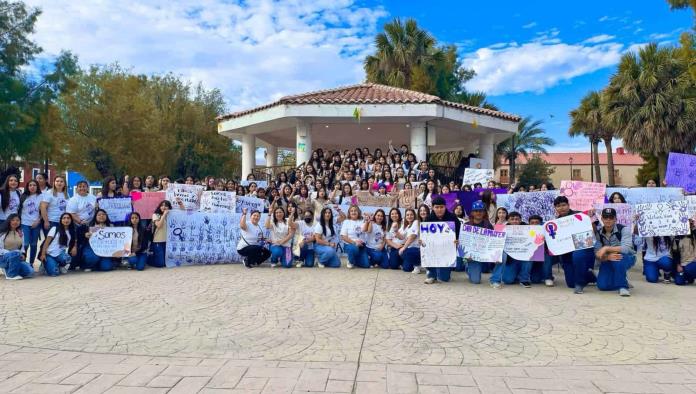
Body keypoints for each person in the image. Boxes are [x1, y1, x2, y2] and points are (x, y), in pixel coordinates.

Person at [552, 196, 596, 294]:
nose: (561, 208)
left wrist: (590, 221)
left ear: (568, 205)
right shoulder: (555, 222)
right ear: (555, 208)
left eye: (564, 205)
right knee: (570, 283)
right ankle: (589, 275)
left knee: (578, 255)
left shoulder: (580, 215)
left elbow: (593, 231)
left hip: (582, 248)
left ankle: (579, 284)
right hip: (566, 254)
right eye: (558, 206)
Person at [594, 208, 634, 296]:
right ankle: (621, 279)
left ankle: (623, 286)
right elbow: (597, 252)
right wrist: (607, 257)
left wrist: (606, 249)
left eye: (611, 217)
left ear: (615, 219)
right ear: (602, 218)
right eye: (605, 217)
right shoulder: (598, 232)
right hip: (607, 259)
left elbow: (626, 248)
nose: (608, 220)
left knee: (618, 258)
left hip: (626, 257)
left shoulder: (624, 229)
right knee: (602, 286)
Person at [423, 196, 461, 284]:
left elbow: (459, 233)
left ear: (445, 207)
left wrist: (457, 240)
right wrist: (422, 241)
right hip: (433, 249)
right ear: (433, 207)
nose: (439, 209)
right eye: (437, 207)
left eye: (441, 207)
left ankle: (442, 271)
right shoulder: (428, 219)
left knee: (444, 278)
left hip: (448, 250)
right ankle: (431, 273)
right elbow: (424, 236)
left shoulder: (452, 218)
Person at [490, 211, 531, 289]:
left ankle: (524, 279)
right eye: (512, 219)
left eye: (517, 219)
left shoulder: (528, 229)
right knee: (508, 280)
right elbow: (496, 244)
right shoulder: (503, 229)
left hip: (523, 258)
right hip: (510, 259)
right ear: (508, 220)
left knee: (530, 254)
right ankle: (515, 275)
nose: (515, 221)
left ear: (520, 220)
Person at [66, 180, 97, 270]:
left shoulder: (93, 198)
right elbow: (71, 213)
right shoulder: (73, 199)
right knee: (77, 245)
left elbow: (96, 209)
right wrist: (80, 221)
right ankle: (73, 263)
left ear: (87, 188)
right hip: (78, 226)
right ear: (77, 188)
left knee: (88, 244)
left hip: (90, 225)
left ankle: (86, 262)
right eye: (80, 186)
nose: (82, 188)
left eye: (84, 186)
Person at [462, 200, 493, 284]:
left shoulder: (488, 225)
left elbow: (492, 241)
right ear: (472, 212)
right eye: (476, 211)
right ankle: (467, 266)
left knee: (486, 270)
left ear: (484, 212)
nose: (478, 213)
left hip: (484, 254)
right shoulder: (466, 225)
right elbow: (463, 243)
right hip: (472, 257)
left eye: (480, 211)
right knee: (475, 281)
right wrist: (466, 256)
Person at [39, 212, 77, 277]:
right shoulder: (55, 229)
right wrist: (43, 254)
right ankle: (45, 264)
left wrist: (74, 247)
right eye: (64, 218)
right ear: (61, 220)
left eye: (68, 218)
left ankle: (61, 265)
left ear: (71, 220)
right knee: (54, 273)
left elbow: (75, 240)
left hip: (60, 254)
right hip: (49, 254)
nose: (66, 220)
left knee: (67, 258)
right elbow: (46, 243)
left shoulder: (72, 231)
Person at [0, 214, 34, 279]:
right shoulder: (2, 232)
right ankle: (11, 275)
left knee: (30, 272)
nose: (15, 222)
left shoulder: (20, 233)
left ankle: (8, 269)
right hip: (3, 258)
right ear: (9, 221)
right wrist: (13, 253)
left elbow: (22, 247)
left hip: (16, 257)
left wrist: (23, 254)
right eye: (13, 220)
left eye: (17, 220)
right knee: (15, 253)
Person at [19, 180, 42, 265]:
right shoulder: (23, 196)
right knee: (25, 244)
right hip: (24, 223)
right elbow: (19, 210)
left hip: (36, 223)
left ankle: (31, 263)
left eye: (34, 185)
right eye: (30, 185)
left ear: (37, 187)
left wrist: (38, 220)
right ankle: (23, 262)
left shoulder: (41, 196)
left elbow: (43, 210)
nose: (32, 187)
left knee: (33, 245)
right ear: (27, 187)